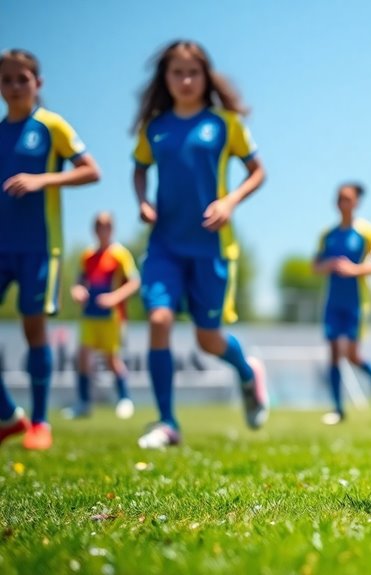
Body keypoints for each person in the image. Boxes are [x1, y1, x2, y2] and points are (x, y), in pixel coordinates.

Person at [131, 40, 268, 449]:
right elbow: (138, 170)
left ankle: (247, 372)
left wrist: (229, 201)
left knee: (208, 340)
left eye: (193, 72)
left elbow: (258, 171)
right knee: (158, 321)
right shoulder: (154, 128)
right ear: (165, 78)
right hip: (164, 247)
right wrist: (142, 201)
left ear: (206, 76)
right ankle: (167, 422)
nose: (186, 80)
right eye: (177, 72)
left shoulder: (225, 123)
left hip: (212, 247)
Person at [0, 49, 101, 450]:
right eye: (6, 80)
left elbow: (92, 170)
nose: (14, 87)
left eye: (22, 79)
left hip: (39, 247)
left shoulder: (51, 126)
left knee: (33, 328)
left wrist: (42, 180)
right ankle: (9, 416)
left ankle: (40, 423)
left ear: (37, 83)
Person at [314, 183, 371, 426]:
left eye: (347, 198)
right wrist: (328, 266)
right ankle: (338, 409)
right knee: (334, 353)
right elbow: (315, 265)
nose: (343, 202)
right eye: (340, 198)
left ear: (356, 202)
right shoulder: (328, 234)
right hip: (333, 302)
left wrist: (355, 270)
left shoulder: (365, 232)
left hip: (357, 303)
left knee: (353, 355)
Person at [64, 212, 140, 420]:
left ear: (112, 229)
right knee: (83, 357)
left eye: (106, 225)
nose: (103, 229)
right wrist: (77, 290)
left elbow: (134, 282)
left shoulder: (120, 254)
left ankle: (125, 399)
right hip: (89, 315)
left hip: (112, 317)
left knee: (111, 359)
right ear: (94, 229)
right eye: (99, 225)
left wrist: (114, 297)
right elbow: (80, 281)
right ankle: (83, 403)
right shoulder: (87, 255)